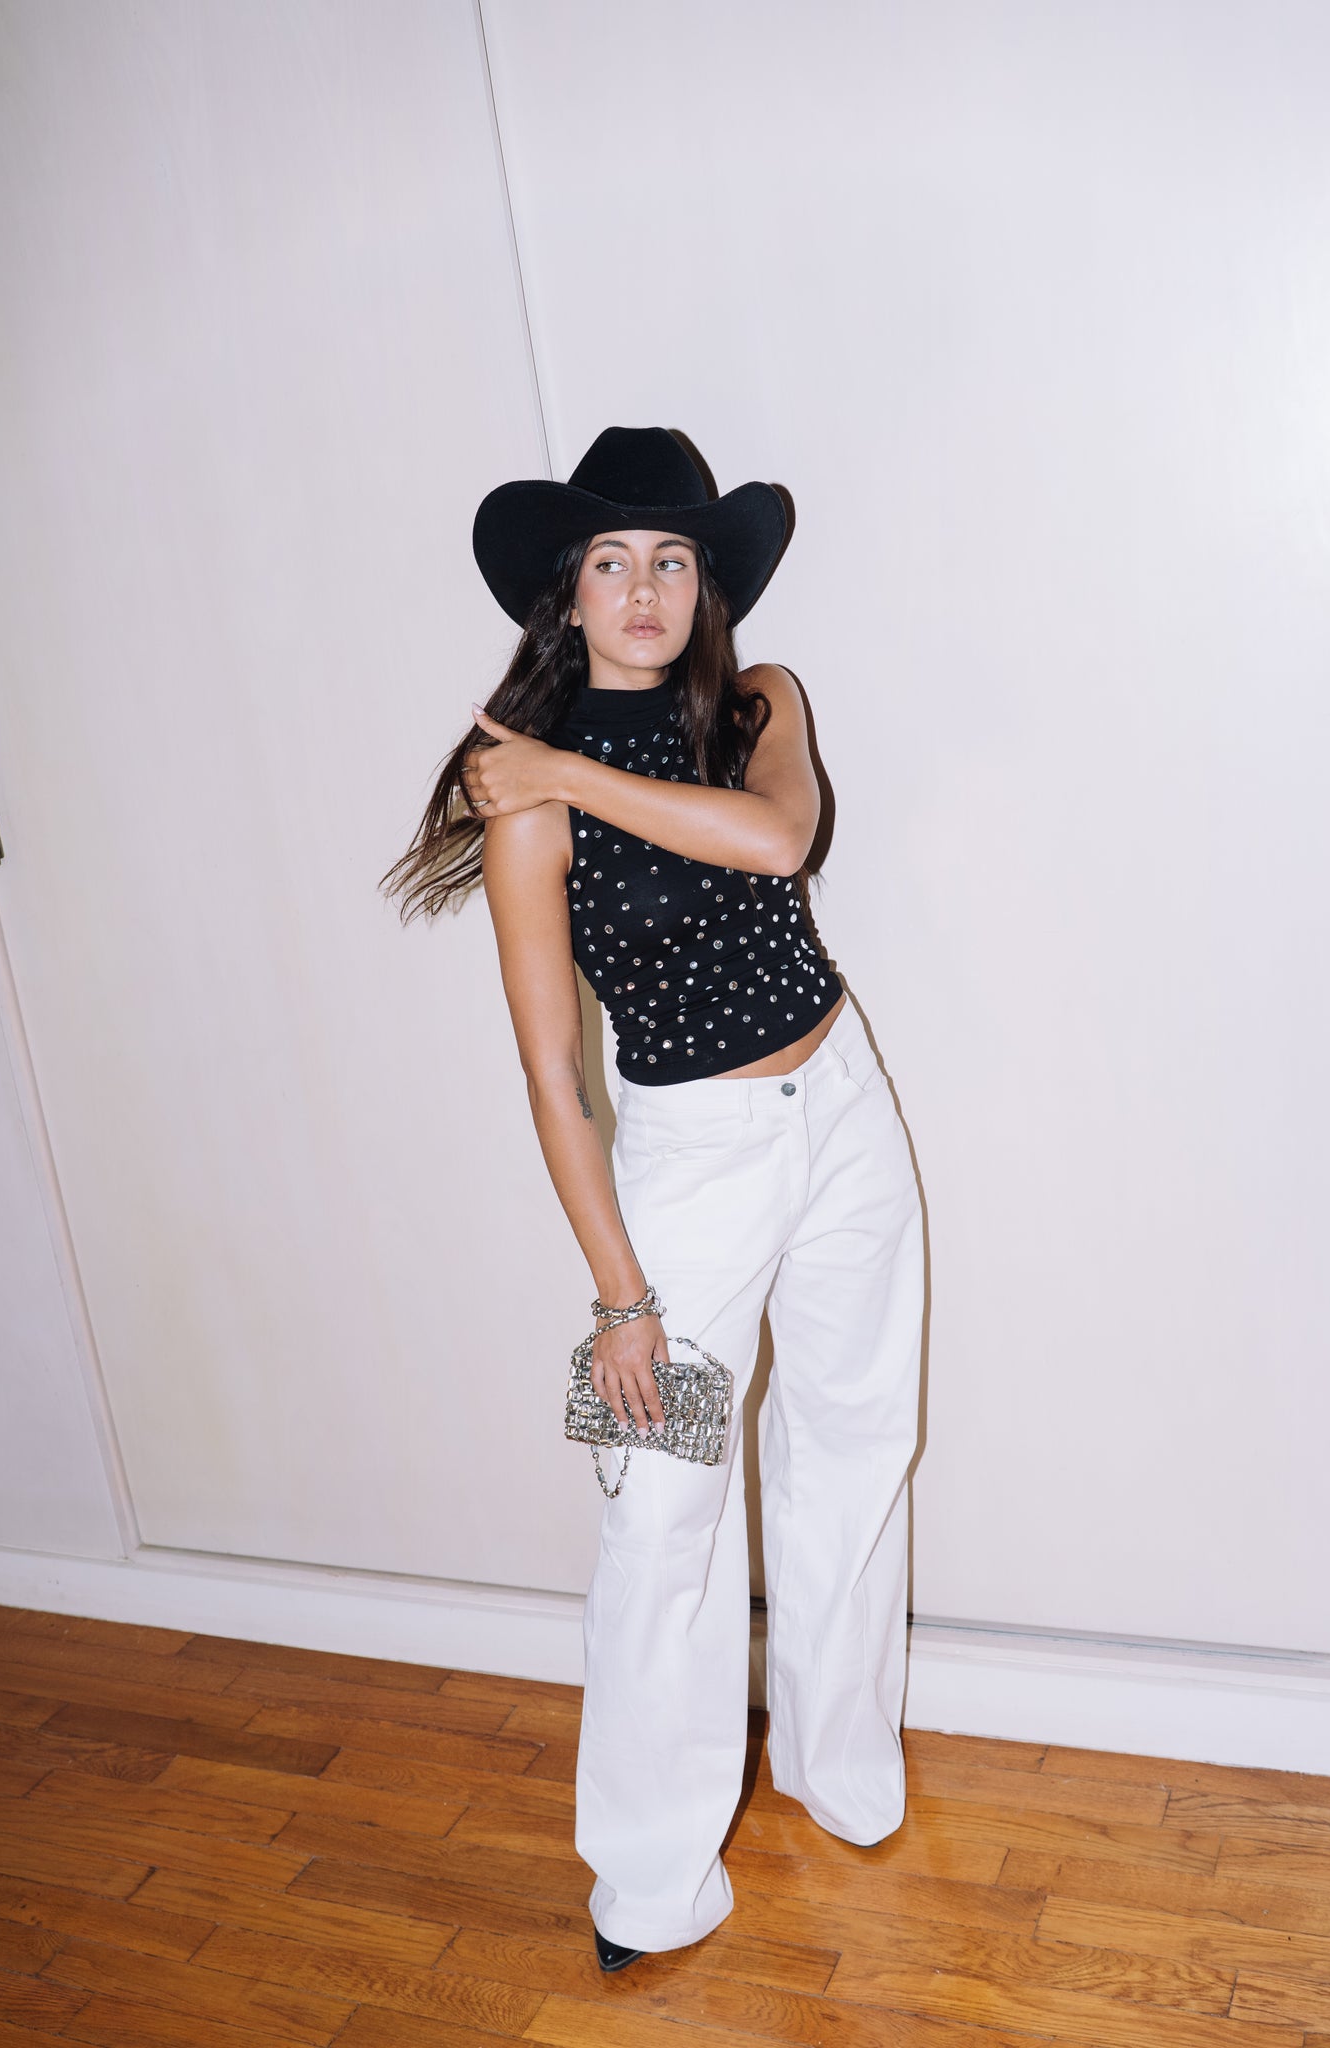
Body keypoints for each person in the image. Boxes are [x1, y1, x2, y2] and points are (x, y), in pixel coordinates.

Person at [382, 426, 924, 1972]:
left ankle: (836, 1766)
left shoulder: (760, 704)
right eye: (611, 561)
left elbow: (776, 834)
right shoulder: (521, 802)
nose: (642, 589)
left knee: (854, 1439)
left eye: (670, 559)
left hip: (846, 1107)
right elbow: (553, 1072)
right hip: (690, 1164)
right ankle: (647, 1876)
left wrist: (558, 765)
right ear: (566, 591)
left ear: (706, 585)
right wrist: (618, 1297)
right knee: (658, 1511)